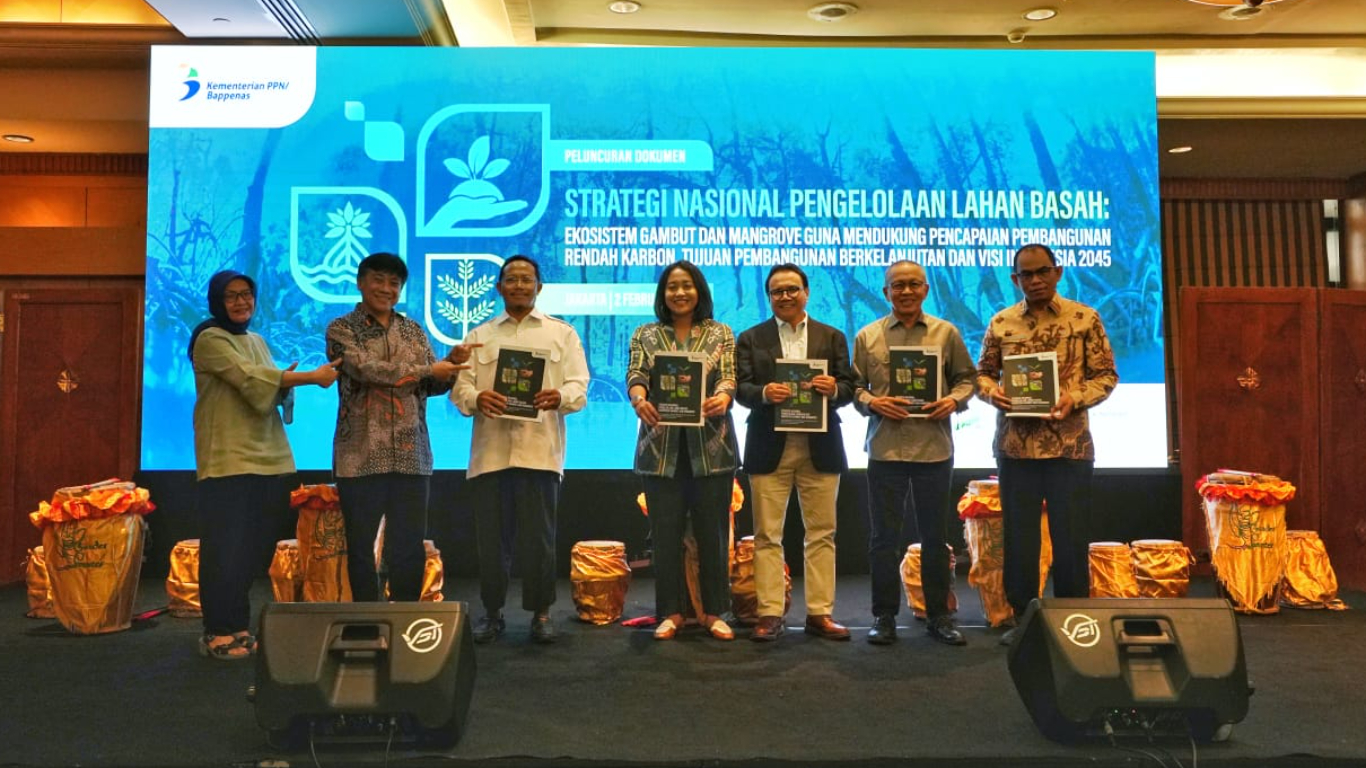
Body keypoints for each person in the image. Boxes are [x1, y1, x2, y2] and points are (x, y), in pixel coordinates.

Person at [191, 269, 339, 659]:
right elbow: (251, 379)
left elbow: (267, 390)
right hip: (226, 460)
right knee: (224, 549)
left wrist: (283, 383)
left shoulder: (255, 339)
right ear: (217, 301)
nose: (241, 302)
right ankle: (217, 630)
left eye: (247, 294)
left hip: (268, 458)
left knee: (249, 551)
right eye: (231, 296)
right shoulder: (209, 339)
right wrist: (308, 377)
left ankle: (237, 625)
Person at [976, 243, 1118, 645]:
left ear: (1058, 272)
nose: (1035, 280)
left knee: (1070, 537)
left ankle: (1074, 622)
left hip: (1070, 447)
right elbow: (982, 374)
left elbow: (1106, 375)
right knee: (1020, 539)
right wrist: (993, 393)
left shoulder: (1084, 318)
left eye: (1042, 272)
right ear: (1015, 279)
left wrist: (1075, 397)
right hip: (1015, 449)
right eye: (1027, 274)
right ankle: (1024, 621)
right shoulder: (1001, 322)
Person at [452, 255, 590, 644]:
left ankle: (541, 613)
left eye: (526, 279)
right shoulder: (479, 335)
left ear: (539, 287)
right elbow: (460, 389)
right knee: (491, 543)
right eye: (511, 279)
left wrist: (558, 396)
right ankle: (492, 613)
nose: (519, 285)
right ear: (499, 288)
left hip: (540, 453)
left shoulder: (561, 334)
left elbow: (579, 386)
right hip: (490, 454)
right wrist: (477, 398)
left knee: (539, 542)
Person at [326, 252, 469, 603]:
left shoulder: (413, 330)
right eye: (378, 280)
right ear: (361, 283)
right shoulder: (342, 329)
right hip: (360, 455)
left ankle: (404, 619)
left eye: (394, 283)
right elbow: (366, 370)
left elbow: (430, 386)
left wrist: (450, 366)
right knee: (361, 546)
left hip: (411, 454)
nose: (386, 289)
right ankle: (365, 620)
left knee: (408, 546)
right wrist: (428, 370)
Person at [851, 260, 974, 646]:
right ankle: (883, 616)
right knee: (883, 539)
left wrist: (953, 401)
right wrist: (873, 402)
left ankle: (939, 616)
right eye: (898, 285)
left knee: (935, 537)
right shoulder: (868, 336)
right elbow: (854, 387)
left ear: (925, 289)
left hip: (933, 449)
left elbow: (966, 379)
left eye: (913, 284)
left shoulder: (946, 332)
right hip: (885, 449)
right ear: (886, 292)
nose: (906, 291)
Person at [736, 263, 855, 642]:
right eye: (777, 291)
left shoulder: (831, 336)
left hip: (820, 446)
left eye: (792, 289)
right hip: (768, 446)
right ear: (769, 297)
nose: (785, 296)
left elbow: (850, 387)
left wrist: (834, 389)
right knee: (767, 535)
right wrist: (763, 393)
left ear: (806, 292)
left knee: (822, 533)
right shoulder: (751, 338)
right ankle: (770, 613)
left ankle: (820, 613)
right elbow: (740, 388)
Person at [627, 261, 739, 641]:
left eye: (686, 285)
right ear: (663, 294)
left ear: (699, 290)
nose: (679, 293)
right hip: (661, 449)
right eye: (672, 286)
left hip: (712, 447)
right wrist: (639, 399)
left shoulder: (720, 333)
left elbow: (728, 376)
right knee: (665, 535)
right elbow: (637, 374)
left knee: (713, 534)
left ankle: (716, 612)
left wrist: (723, 397)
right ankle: (670, 613)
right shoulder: (646, 334)